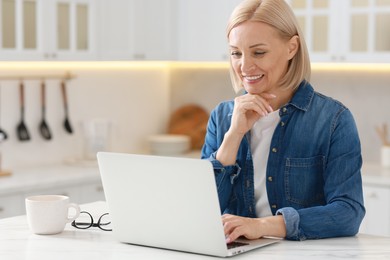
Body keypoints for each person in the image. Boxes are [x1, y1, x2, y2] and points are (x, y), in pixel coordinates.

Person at [201, 0, 365, 242]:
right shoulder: (221, 117)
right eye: (236, 53)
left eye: (258, 52)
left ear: (292, 48)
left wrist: (263, 226)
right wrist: (233, 136)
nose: (244, 66)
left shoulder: (333, 120)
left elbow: (348, 213)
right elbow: (202, 211)